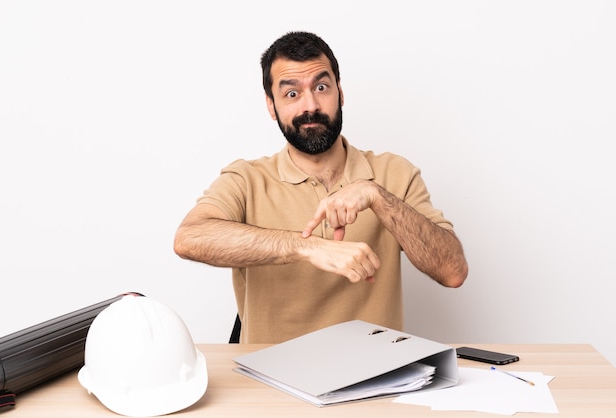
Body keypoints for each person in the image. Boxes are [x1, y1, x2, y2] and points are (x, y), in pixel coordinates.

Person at [174, 31, 468, 344]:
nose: (310, 106)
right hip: (272, 379)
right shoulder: (247, 179)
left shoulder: (394, 173)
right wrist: (308, 247)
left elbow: (452, 271)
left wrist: (377, 197)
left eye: (321, 87)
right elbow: (189, 238)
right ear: (271, 106)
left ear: (340, 93)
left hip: (374, 376)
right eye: (291, 94)